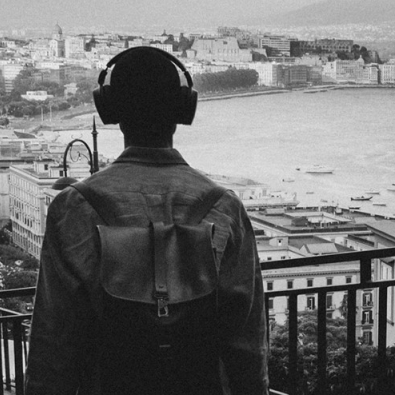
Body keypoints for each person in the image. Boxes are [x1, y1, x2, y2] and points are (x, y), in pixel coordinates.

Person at [25, 46, 269, 395]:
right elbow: (248, 344)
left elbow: (53, 344)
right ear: (184, 110)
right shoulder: (225, 207)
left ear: (110, 110)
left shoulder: (74, 207)